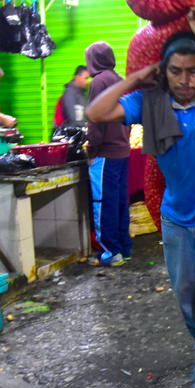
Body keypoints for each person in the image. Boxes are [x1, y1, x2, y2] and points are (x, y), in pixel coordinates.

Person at [86, 7, 195, 388]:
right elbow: (95, 113)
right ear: (165, 72)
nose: (186, 79)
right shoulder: (150, 104)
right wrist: (135, 78)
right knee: (188, 297)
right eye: (176, 71)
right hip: (176, 222)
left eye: (193, 71)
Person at [85, 42, 131, 267]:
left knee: (103, 203)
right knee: (120, 201)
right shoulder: (120, 80)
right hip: (122, 150)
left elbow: (95, 120)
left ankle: (111, 252)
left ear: (93, 59)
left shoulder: (99, 81)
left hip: (105, 153)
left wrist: (91, 150)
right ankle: (124, 248)